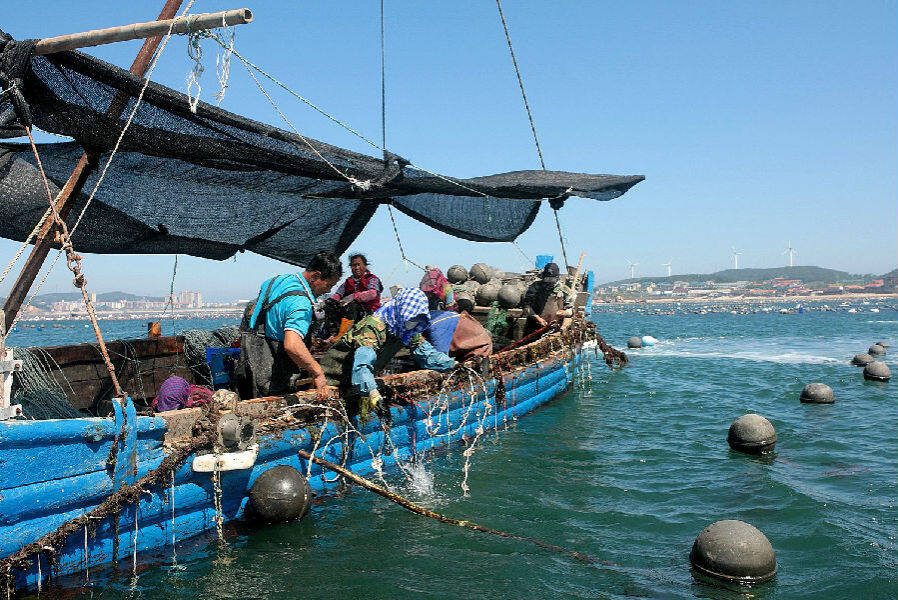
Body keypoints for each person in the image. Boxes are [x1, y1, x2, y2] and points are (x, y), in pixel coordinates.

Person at [319, 288, 455, 416]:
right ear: (402, 310)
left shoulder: (407, 331)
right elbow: (363, 364)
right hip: (333, 379)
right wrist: (373, 393)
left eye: (418, 319)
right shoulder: (374, 327)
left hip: (357, 382)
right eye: (412, 317)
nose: (413, 322)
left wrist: (452, 365)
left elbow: (426, 353)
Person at [236, 251, 342, 401]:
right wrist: (318, 372)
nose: (329, 290)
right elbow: (292, 345)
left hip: (247, 360)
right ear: (316, 276)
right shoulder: (301, 303)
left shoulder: (277, 281)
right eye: (328, 285)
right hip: (271, 374)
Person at [521, 262, 572, 335]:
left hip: (555, 328)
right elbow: (526, 307)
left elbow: (571, 310)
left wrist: (565, 312)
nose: (550, 282)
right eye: (547, 279)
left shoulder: (564, 290)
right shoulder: (535, 287)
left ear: (557, 278)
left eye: (552, 280)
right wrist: (537, 318)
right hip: (534, 327)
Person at [330, 253, 383, 318]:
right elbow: (338, 294)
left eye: (358, 265)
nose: (356, 268)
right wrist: (330, 302)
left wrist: (354, 296)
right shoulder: (348, 282)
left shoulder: (372, 279)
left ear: (365, 265)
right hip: (353, 315)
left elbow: (372, 293)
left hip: (371, 314)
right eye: (353, 266)